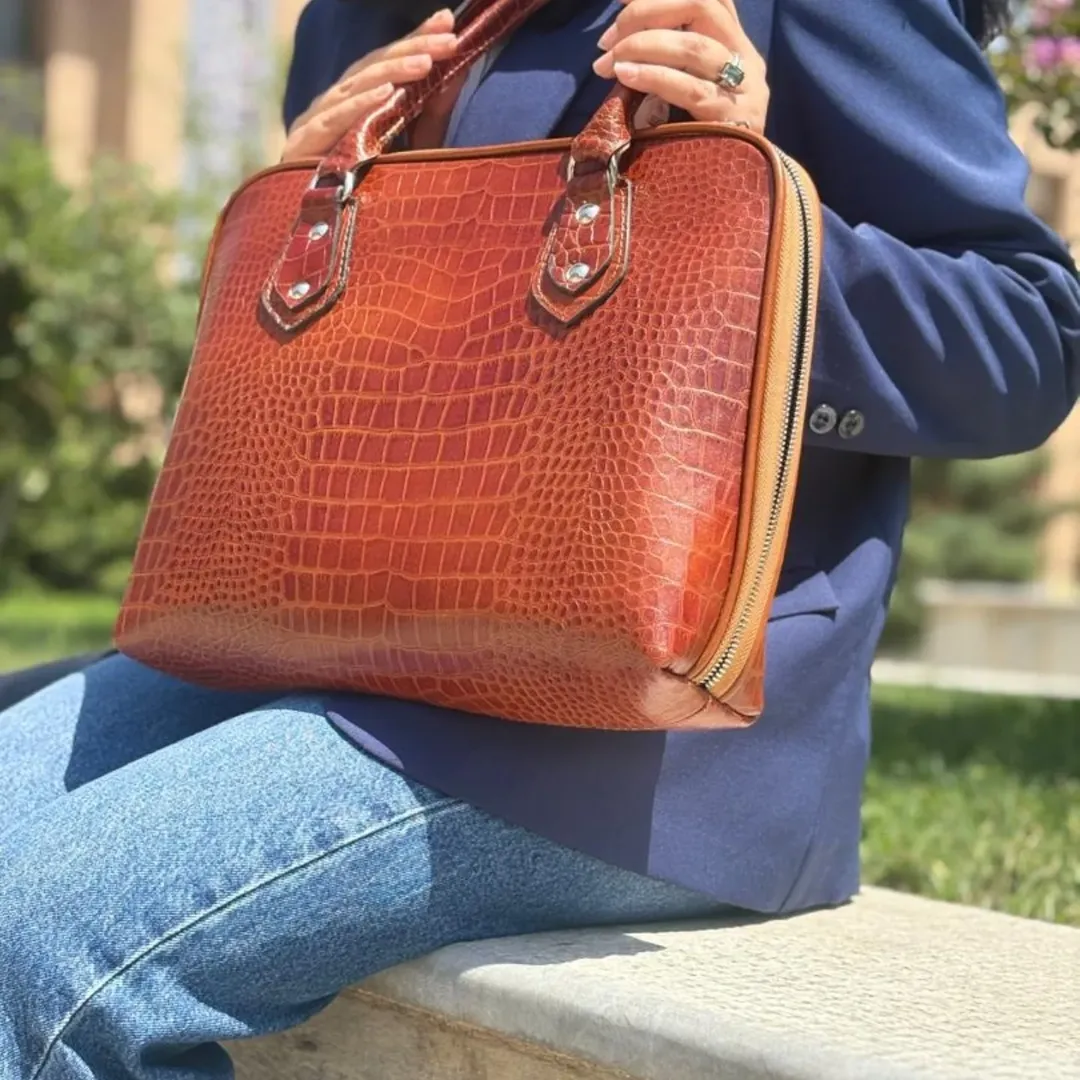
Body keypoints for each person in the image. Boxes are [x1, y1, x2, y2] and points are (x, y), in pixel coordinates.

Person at [1, 0, 1077, 1077]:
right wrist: (298, 193)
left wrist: (747, 219)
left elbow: (1025, 339)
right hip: (318, 630)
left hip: (644, 727)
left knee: (46, 942)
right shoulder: (361, 13)